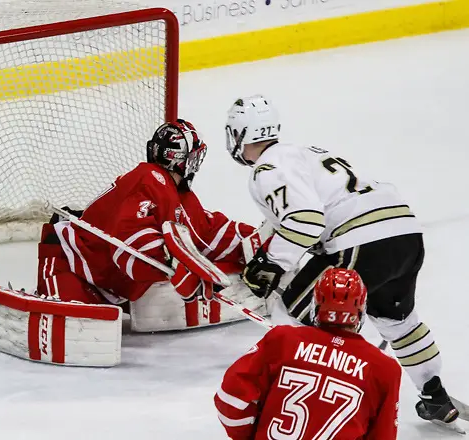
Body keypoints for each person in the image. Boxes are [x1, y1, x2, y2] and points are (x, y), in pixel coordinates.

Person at [223, 95, 460, 425]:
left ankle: (282, 396)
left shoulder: (268, 168)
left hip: (360, 241)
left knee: (290, 317)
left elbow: (305, 221)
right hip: (405, 233)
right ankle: (435, 395)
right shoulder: (308, 152)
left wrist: (270, 263)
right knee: (397, 319)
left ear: (239, 134)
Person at [36, 119, 263, 331]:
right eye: (193, 157)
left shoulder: (179, 195)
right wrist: (172, 261)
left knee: (99, 327)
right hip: (72, 265)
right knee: (74, 329)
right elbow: (128, 242)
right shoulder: (146, 178)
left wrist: (256, 240)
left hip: (110, 285)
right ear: (180, 159)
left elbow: (207, 232)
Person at [215, 268, 402, 439]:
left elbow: (230, 398)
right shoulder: (384, 368)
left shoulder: (283, 339)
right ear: (360, 311)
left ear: (315, 304)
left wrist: (248, 436)